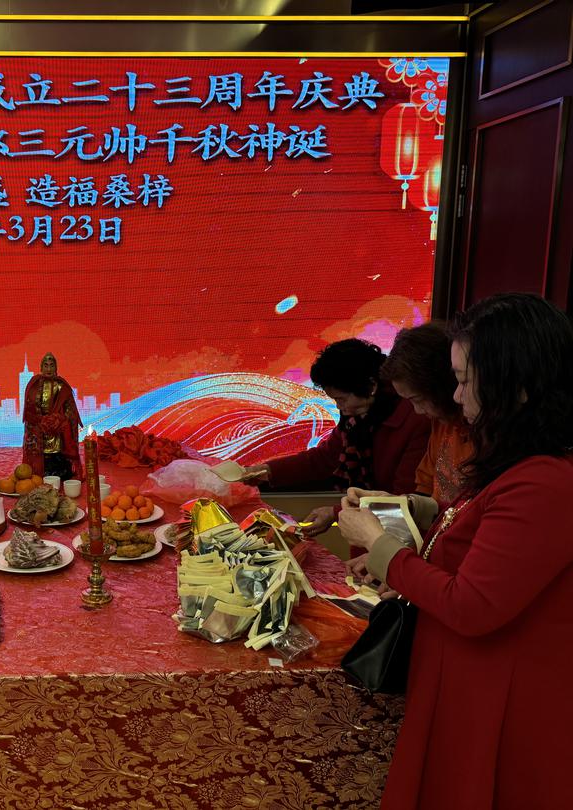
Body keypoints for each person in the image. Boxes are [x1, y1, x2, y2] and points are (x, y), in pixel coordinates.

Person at [339, 293, 573, 809]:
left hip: (500, 692)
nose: (458, 396)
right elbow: (477, 533)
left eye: (466, 380)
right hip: (466, 679)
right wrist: (416, 512)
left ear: (518, 386)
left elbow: (473, 604)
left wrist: (379, 545)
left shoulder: (545, 481)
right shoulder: (514, 461)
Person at [244, 338, 431, 535]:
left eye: (341, 399)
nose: (339, 406)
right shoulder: (356, 420)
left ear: (371, 386)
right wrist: (266, 471)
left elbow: (402, 499)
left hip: (400, 535)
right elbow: (322, 459)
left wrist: (336, 513)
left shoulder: (415, 419)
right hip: (367, 530)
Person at [381, 322, 473, 505]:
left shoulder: (483, 433)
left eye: (418, 399)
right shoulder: (442, 424)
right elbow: (425, 490)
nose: (418, 411)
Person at [21, 352, 82, 479]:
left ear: (56, 368)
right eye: (46, 365)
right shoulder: (34, 385)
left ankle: (58, 469)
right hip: (40, 427)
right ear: (41, 367)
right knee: (41, 454)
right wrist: (40, 420)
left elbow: (70, 409)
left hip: (56, 428)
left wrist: (58, 420)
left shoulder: (61, 386)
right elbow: (29, 408)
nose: (48, 369)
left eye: (51, 365)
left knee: (57, 453)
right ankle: (39, 469)